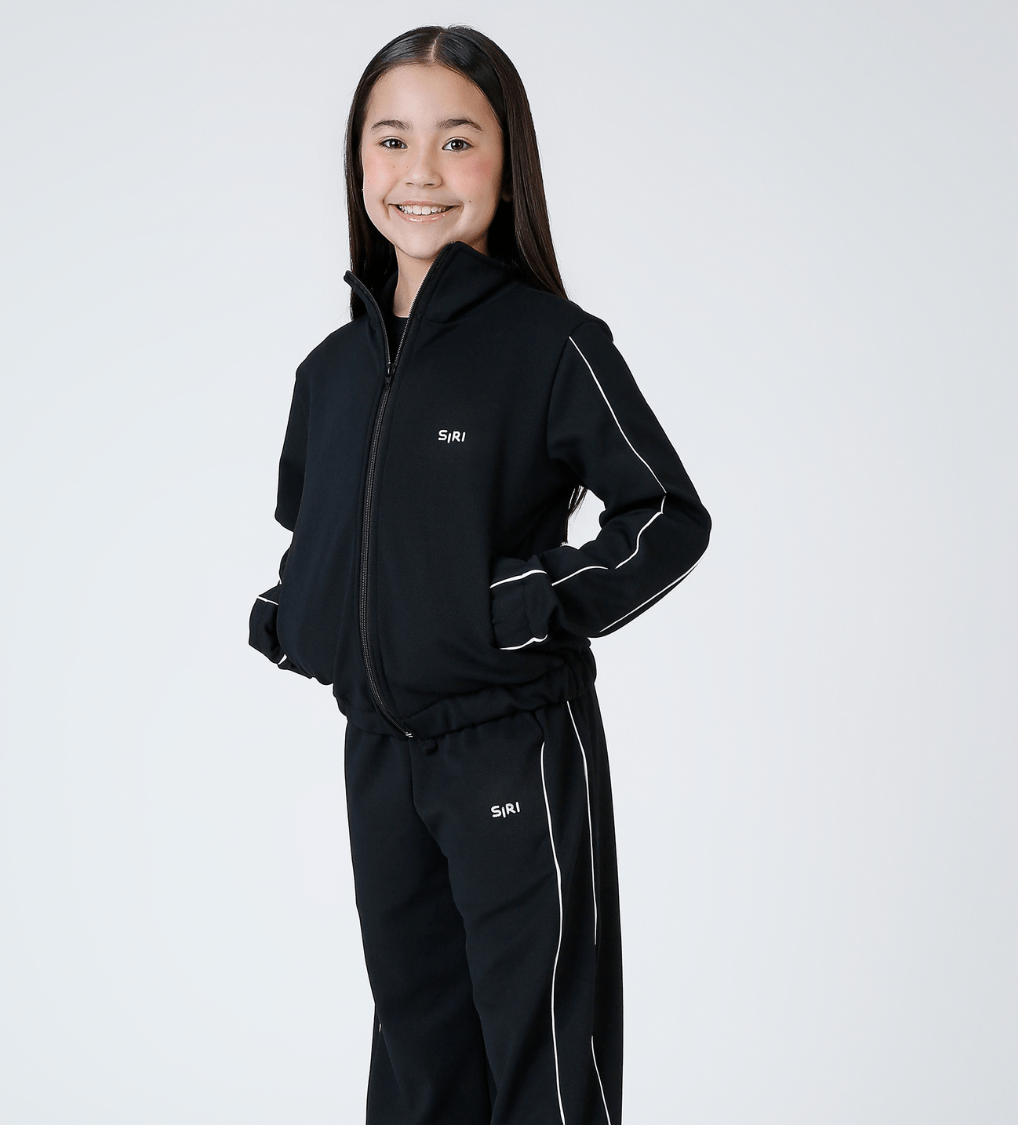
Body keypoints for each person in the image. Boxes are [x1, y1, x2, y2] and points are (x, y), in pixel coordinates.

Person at [249, 24, 710, 1125]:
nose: (420, 171)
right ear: (358, 161)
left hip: (513, 743)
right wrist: (300, 612)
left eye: (457, 141)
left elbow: (666, 516)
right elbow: (323, 530)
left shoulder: (550, 344)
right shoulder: (329, 371)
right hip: (381, 753)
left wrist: (525, 605)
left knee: (540, 1055)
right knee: (418, 1057)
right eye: (391, 140)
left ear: (507, 164)